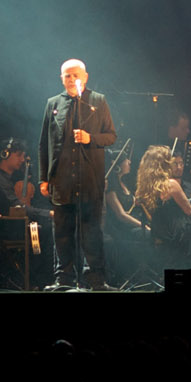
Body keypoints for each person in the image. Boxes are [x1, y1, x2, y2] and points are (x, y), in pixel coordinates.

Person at [38, 59, 117, 290]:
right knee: (62, 231)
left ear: (86, 77)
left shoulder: (98, 101)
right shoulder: (53, 103)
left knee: (91, 231)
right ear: (61, 78)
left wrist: (90, 138)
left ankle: (95, 280)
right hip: (61, 180)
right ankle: (64, 279)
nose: (72, 80)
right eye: (67, 76)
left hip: (90, 179)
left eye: (75, 75)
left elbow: (111, 136)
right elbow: (44, 143)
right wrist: (44, 177)